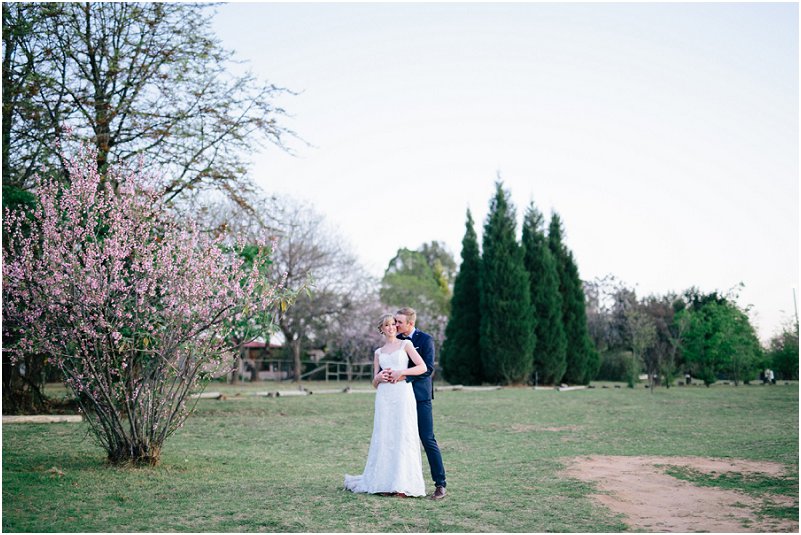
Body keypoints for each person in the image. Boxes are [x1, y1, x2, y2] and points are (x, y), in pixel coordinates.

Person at [344, 314, 428, 497]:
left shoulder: (406, 345)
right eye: (386, 325)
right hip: (384, 397)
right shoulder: (378, 352)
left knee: (402, 434)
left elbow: (422, 367)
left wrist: (401, 372)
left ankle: (402, 484)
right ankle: (383, 483)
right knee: (385, 436)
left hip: (402, 394)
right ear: (381, 329)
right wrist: (378, 378)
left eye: (392, 324)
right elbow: (374, 381)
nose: (391, 328)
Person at [384, 307, 447, 501]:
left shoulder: (425, 340)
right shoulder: (397, 342)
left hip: (420, 396)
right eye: (394, 321)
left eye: (399, 322)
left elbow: (427, 369)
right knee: (399, 438)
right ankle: (397, 483)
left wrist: (403, 376)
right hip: (399, 397)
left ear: (410, 323)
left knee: (427, 438)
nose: (395, 324)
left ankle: (440, 485)